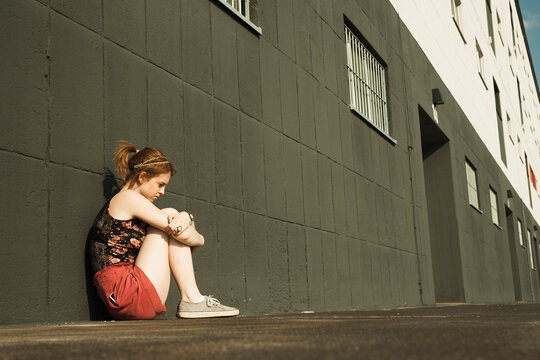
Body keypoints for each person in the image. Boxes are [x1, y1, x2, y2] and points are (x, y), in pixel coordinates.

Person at [88, 140, 239, 320]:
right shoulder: (127, 198)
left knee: (173, 218)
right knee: (170, 214)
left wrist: (185, 219)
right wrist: (190, 224)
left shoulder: (134, 205)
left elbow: (184, 237)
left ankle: (193, 299)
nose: (163, 192)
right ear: (142, 177)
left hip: (127, 295)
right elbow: (185, 236)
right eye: (160, 184)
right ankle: (192, 298)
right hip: (126, 294)